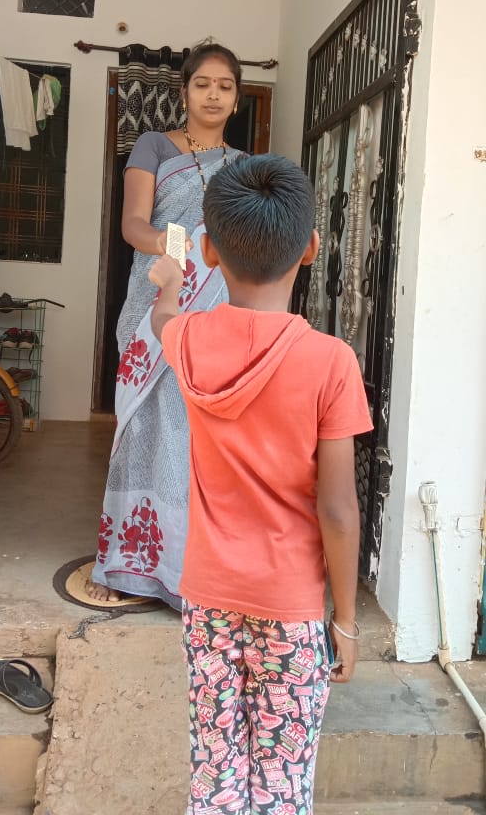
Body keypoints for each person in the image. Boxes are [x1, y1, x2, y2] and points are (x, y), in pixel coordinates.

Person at [148, 154, 373, 815]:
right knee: (281, 780)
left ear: (211, 251)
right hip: (292, 608)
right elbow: (336, 509)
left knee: (217, 770)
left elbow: (164, 323)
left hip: (208, 602)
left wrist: (169, 278)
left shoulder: (188, 339)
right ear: (310, 248)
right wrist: (349, 623)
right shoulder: (332, 362)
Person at [87, 41, 244, 606]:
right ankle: (128, 569)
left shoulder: (245, 169)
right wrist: (172, 244)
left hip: (216, 317)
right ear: (184, 91)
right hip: (156, 307)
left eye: (225, 86)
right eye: (203, 83)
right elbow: (134, 224)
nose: (213, 94)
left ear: (236, 97)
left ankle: (189, 573)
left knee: (199, 438)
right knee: (144, 429)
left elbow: (247, 247)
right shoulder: (154, 146)